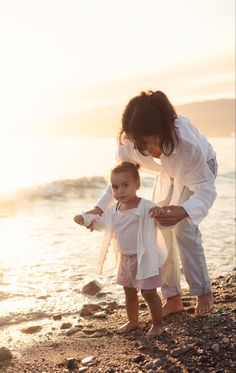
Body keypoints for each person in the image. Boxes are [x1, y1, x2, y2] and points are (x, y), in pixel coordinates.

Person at [83, 90, 218, 317]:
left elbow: (206, 190)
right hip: (168, 174)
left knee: (184, 228)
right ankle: (172, 297)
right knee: (157, 224)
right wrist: (99, 208)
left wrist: (183, 210)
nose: (140, 149)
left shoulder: (186, 143)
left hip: (199, 171)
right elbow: (120, 180)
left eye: (145, 142)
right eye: (136, 142)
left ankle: (203, 291)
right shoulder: (129, 143)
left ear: (162, 131)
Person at [74, 161, 167, 336]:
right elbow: (104, 225)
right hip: (126, 259)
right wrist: (86, 219)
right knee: (129, 292)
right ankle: (133, 321)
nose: (120, 191)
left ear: (137, 184)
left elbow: (162, 221)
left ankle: (158, 324)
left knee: (149, 293)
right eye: (115, 187)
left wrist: (161, 214)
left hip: (145, 258)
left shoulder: (146, 206)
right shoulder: (114, 210)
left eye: (125, 185)